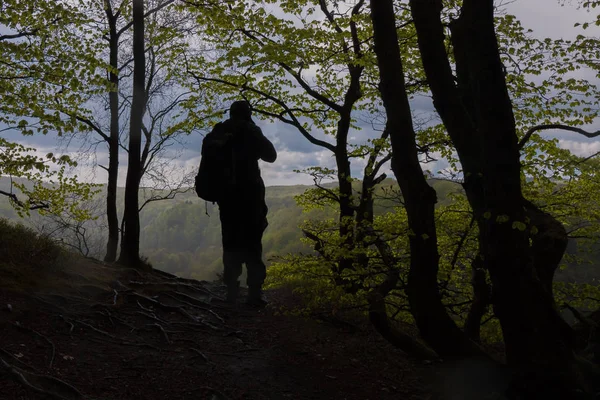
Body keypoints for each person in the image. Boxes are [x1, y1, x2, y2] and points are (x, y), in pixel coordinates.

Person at [216, 100, 277, 306]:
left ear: (231, 113)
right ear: (247, 114)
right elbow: (271, 156)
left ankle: (231, 292)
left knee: (230, 242)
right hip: (251, 198)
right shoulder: (252, 131)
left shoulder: (220, 131)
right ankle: (254, 294)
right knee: (252, 243)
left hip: (227, 199)